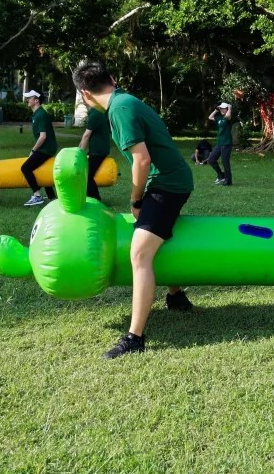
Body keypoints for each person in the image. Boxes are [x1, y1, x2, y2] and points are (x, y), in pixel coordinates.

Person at [73, 60, 195, 359]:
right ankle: (176, 296)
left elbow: (141, 160)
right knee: (156, 237)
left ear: (85, 94)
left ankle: (135, 338)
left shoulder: (119, 109)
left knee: (139, 253)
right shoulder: (124, 101)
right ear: (112, 79)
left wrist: (136, 198)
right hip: (168, 180)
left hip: (167, 185)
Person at [22, 90, 58, 206]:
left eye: (30, 98)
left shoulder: (41, 115)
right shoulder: (37, 114)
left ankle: (37, 196)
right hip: (46, 148)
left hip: (46, 149)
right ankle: (52, 197)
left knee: (25, 168)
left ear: (36, 100)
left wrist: (33, 150)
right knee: (42, 168)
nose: (27, 100)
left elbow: (43, 137)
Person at [80, 105, 112, 202]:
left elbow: (86, 135)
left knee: (87, 175)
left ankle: (96, 200)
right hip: (96, 150)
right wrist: (79, 149)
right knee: (87, 173)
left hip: (98, 151)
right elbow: (85, 136)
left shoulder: (95, 114)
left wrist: (80, 153)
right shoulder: (96, 113)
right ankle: (88, 197)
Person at [206, 102, 235, 186]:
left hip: (226, 143)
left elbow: (228, 116)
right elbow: (210, 117)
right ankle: (221, 175)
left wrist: (229, 108)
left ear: (227, 109)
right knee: (211, 159)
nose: (222, 110)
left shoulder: (228, 118)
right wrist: (216, 110)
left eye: (224, 108)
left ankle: (228, 181)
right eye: (221, 108)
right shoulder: (219, 118)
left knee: (225, 161)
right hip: (219, 143)